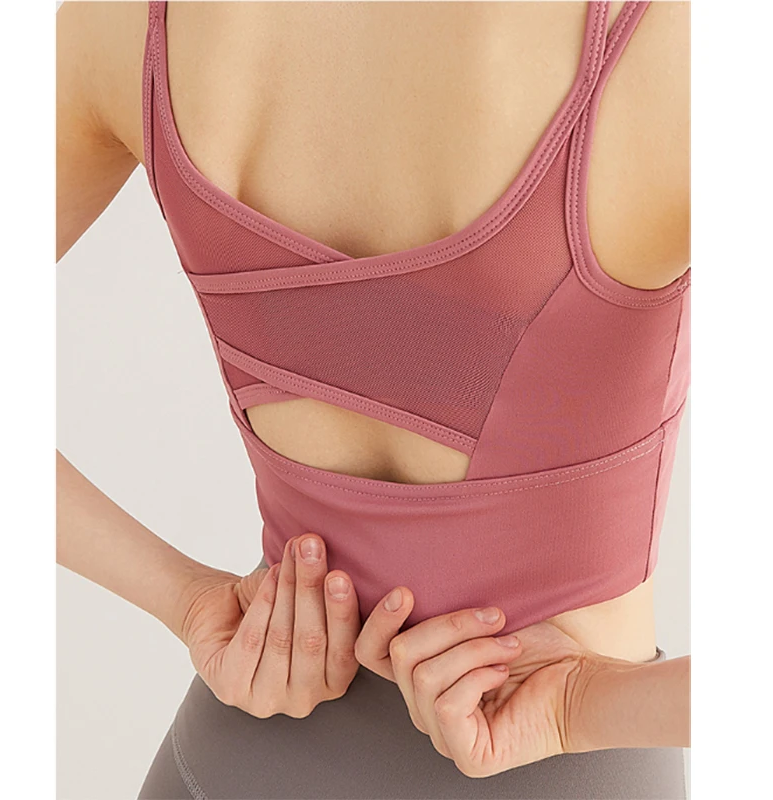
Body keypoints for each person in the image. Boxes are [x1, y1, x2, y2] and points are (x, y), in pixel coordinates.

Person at [56, 1, 690, 797]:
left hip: (236, 757)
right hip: (564, 770)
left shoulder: (126, 21)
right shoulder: (676, 45)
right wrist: (577, 708)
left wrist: (187, 601)